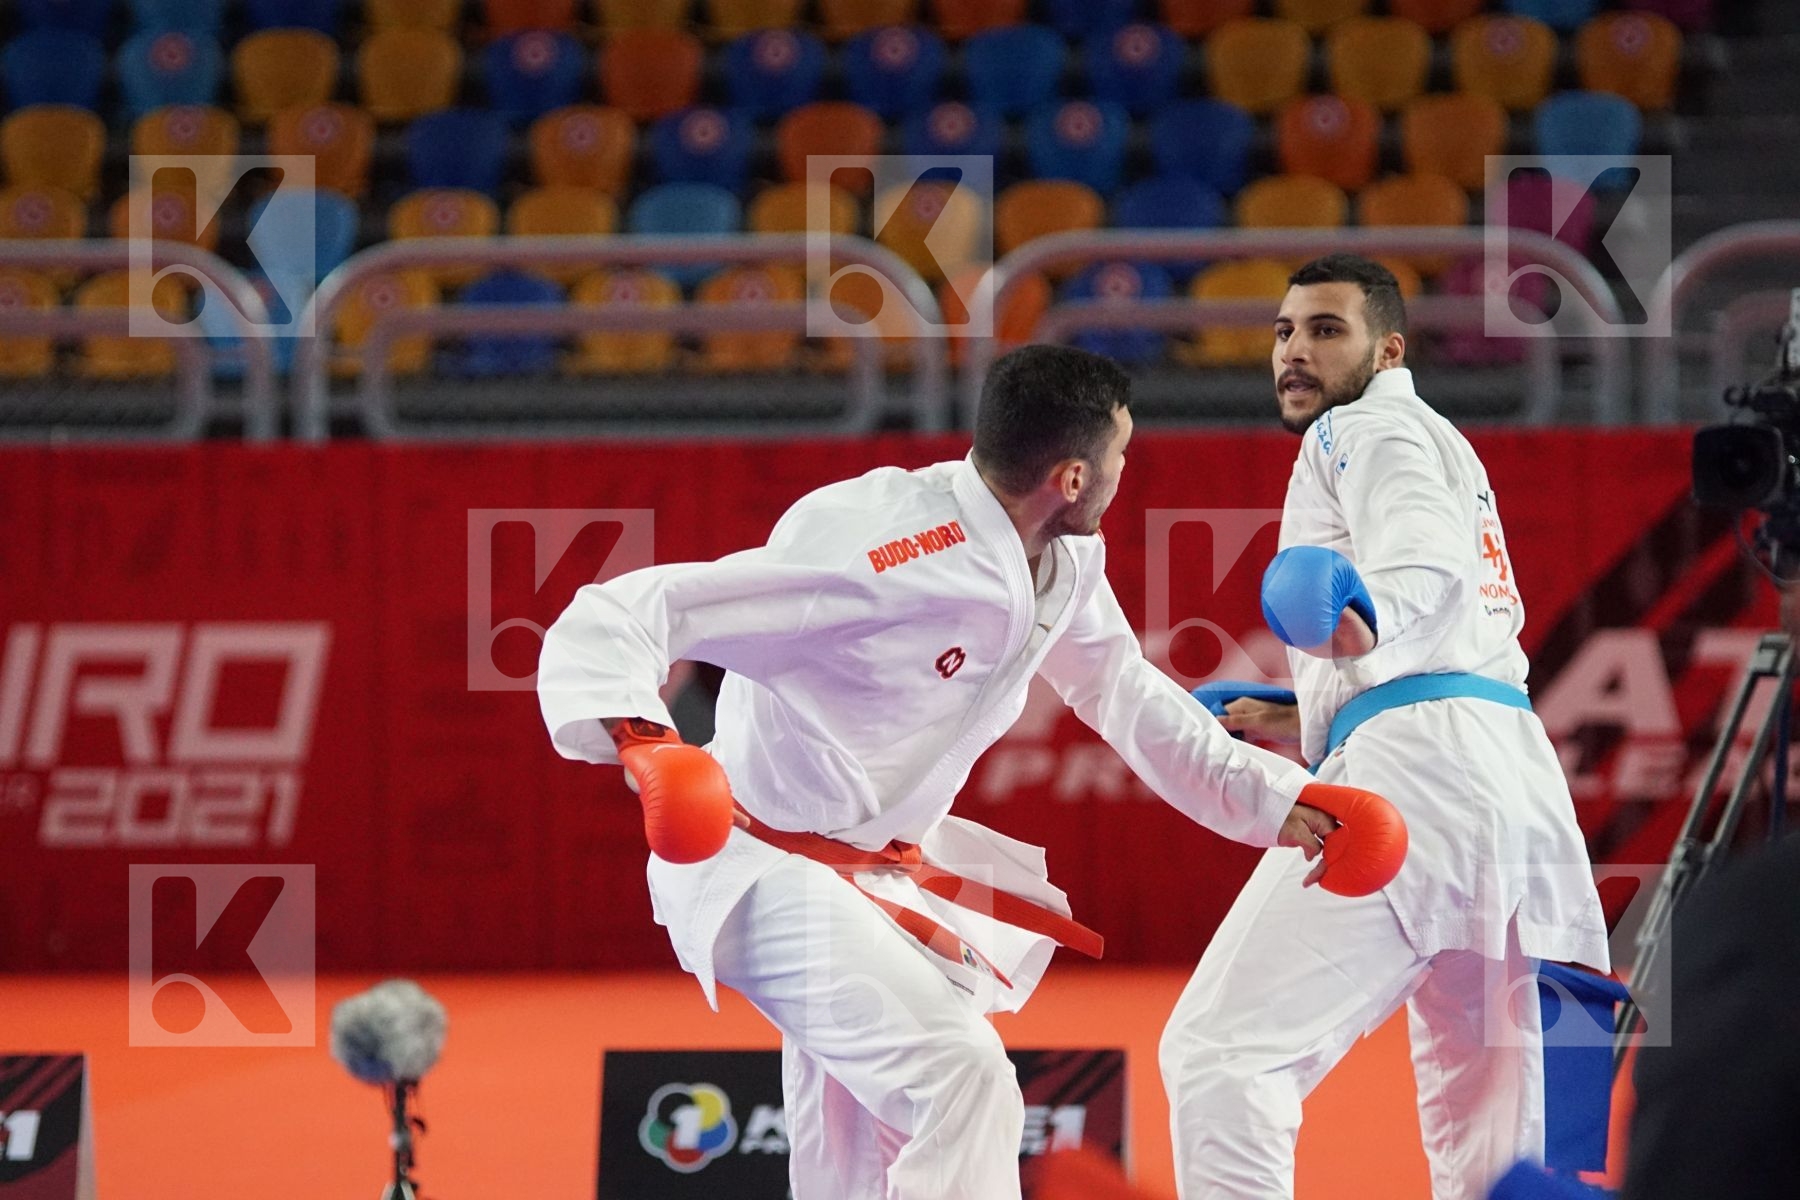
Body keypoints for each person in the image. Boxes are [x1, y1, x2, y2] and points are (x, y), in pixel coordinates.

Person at [537, 344, 1407, 1200]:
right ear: (1071, 477)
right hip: (762, 865)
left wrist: (1276, 796)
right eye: (1120, 457)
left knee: (850, 1158)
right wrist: (646, 741)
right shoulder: (874, 552)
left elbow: (1120, 689)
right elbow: (630, 607)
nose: (1123, 474)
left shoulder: (1064, 562)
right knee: (958, 1078)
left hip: (876, 872)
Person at [1160, 255, 1611, 1200]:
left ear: (1388, 349)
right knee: (1496, 1142)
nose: (1295, 351)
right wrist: (1305, 711)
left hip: (1418, 787)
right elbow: (1453, 634)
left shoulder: (1362, 427)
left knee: (1224, 1056)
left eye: (1327, 330)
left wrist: (1358, 611)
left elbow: (1422, 570)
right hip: (1511, 790)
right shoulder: (1441, 439)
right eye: (1285, 331)